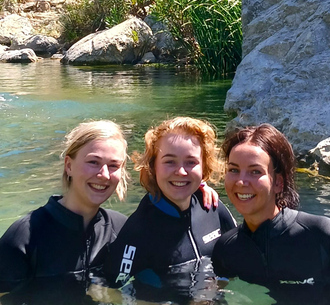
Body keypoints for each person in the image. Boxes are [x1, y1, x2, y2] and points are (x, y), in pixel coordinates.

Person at [212, 124, 330, 305]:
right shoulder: (228, 249)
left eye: (255, 171)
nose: (241, 181)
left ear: (278, 182)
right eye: (233, 170)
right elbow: (214, 291)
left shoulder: (324, 235)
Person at [0, 121, 129, 305]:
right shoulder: (26, 234)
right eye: (93, 162)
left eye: (113, 165)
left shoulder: (123, 230)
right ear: (69, 166)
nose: (104, 174)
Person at [102, 116, 237, 300]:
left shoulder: (212, 207)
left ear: (204, 166)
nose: (181, 171)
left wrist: (212, 290)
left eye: (191, 162)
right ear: (153, 166)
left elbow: (239, 259)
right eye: (169, 161)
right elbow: (107, 290)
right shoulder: (138, 231)